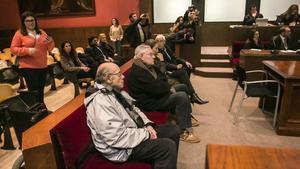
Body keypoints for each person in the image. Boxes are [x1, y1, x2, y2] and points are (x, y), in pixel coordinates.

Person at [84, 62, 180, 169]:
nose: (123, 76)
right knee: (167, 147)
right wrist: (146, 134)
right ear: (108, 78)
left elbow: (134, 109)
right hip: (119, 148)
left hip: (132, 132)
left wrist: (147, 124)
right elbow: (116, 138)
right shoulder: (101, 102)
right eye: (119, 74)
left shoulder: (113, 89)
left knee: (173, 130)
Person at [127, 44, 201, 143]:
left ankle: (186, 116)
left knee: (182, 87)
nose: (154, 56)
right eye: (150, 54)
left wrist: (164, 85)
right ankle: (184, 131)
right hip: (149, 102)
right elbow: (158, 88)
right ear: (141, 56)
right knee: (181, 96)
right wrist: (165, 86)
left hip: (156, 96)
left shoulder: (148, 66)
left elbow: (162, 78)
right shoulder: (137, 72)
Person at [10, 11, 55, 107]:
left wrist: (51, 42)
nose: (30, 22)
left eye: (32, 20)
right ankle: (36, 109)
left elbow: (50, 48)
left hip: (42, 65)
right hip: (28, 67)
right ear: (23, 22)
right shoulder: (19, 34)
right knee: (34, 91)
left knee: (41, 89)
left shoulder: (42, 32)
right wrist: (28, 50)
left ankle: (41, 107)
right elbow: (13, 49)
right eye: (27, 21)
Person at [145, 39, 207, 105]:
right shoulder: (149, 58)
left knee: (184, 70)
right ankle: (192, 96)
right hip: (164, 77)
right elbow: (161, 72)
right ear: (150, 49)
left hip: (167, 72)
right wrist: (162, 61)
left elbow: (171, 60)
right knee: (182, 73)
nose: (157, 50)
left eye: (163, 41)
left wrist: (176, 67)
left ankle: (192, 95)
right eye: (156, 48)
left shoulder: (162, 51)